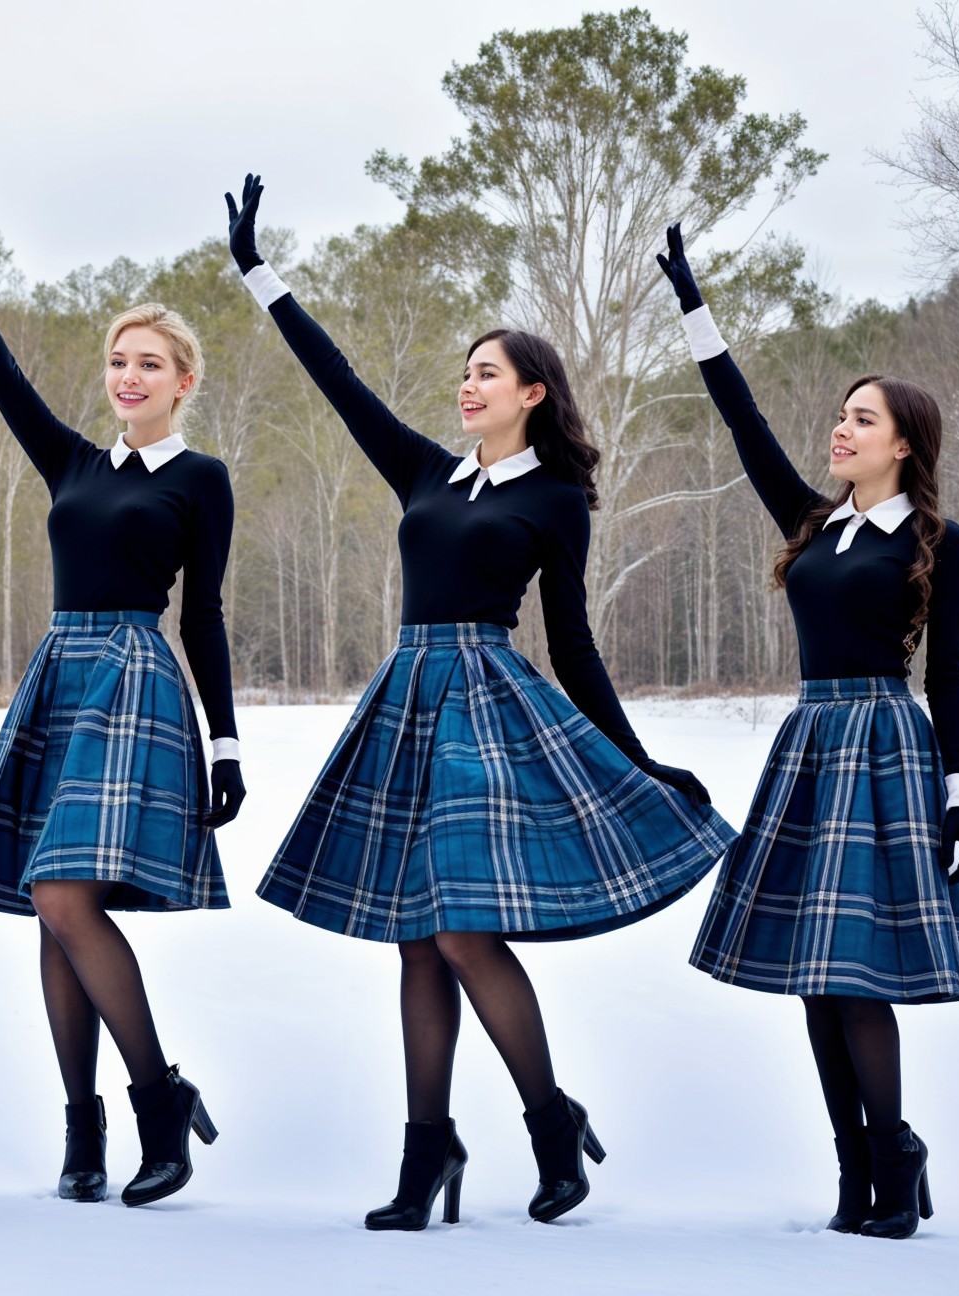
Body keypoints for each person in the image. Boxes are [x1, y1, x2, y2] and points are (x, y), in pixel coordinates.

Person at [225, 176, 735, 1230]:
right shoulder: (425, 473)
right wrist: (261, 275)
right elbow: (339, 381)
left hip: (489, 708)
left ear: (532, 393)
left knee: (457, 929)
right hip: (406, 699)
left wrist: (636, 758)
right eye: (463, 375)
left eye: (486, 376)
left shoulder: (554, 499)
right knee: (419, 936)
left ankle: (550, 1123)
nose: (467, 388)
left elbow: (577, 642)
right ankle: (429, 1156)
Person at [657, 223, 959, 1240]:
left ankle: (896, 1160)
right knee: (811, 979)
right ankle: (853, 1171)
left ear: (904, 444)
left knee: (853, 979)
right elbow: (743, 421)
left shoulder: (939, 541)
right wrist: (693, 305)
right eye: (841, 417)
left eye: (862, 420)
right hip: (810, 747)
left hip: (886, 752)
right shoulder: (813, 522)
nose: (839, 432)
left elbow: (950, 674)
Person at [0, 171, 243, 1207]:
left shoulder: (201, 481)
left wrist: (228, 745)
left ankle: (159, 1101)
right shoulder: (71, 461)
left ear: (182, 381)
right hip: (60, 674)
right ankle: (83, 1131)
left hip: (137, 680)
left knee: (67, 893)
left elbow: (202, 615)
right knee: (48, 907)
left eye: (148, 363)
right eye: (117, 360)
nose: (128, 375)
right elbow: (0, 378)